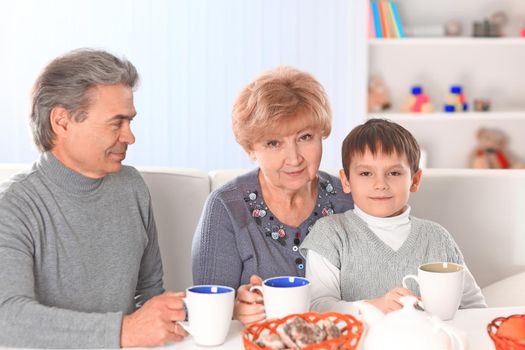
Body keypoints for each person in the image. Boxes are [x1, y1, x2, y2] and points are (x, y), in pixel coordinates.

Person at [0, 49, 188, 348]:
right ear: (61, 122)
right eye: (116, 123)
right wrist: (123, 331)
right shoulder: (13, 206)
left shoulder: (131, 186)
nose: (130, 137)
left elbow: (149, 293)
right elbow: (7, 318)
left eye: (130, 122)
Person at [192, 66, 354, 325]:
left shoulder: (349, 200)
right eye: (274, 143)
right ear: (250, 148)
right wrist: (235, 309)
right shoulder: (225, 208)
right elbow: (205, 311)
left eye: (305, 137)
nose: (294, 158)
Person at [300, 118, 486, 315]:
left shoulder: (438, 239)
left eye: (394, 173)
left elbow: (475, 308)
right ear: (346, 181)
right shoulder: (330, 234)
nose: (380, 184)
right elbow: (317, 307)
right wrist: (375, 306)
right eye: (365, 173)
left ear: (414, 180)